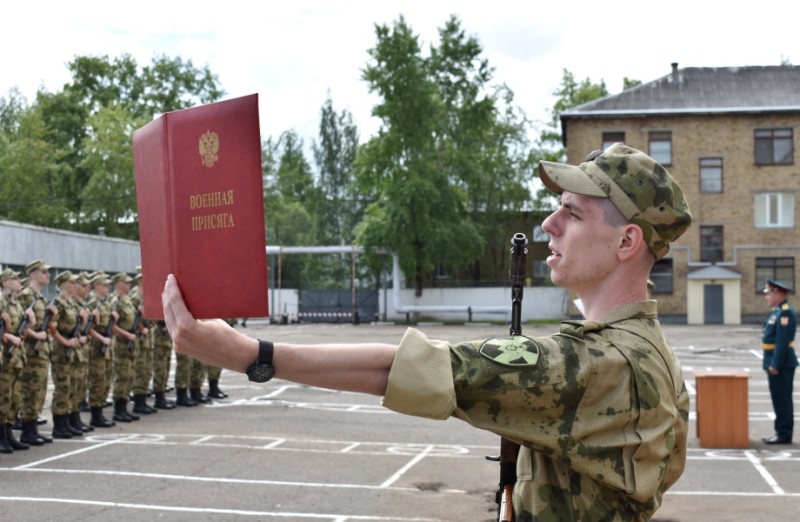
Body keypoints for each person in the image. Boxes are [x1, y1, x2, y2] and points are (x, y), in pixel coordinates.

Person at [162, 143, 693, 521]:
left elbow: (406, 369)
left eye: (572, 214)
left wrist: (252, 354)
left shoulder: (596, 363)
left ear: (627, 243)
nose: (549, 224)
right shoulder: (651, 355)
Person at [760, 279, 797, 445]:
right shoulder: (776, 312)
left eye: (769, 294)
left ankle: (784, 433)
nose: (766, 297)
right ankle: (781, 431)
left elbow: (782, 342)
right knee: (778, 399)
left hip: (781, 364)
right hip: (774, 362)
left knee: (782, 400)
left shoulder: (785, 313)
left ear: (778, 294)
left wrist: (775, 364)